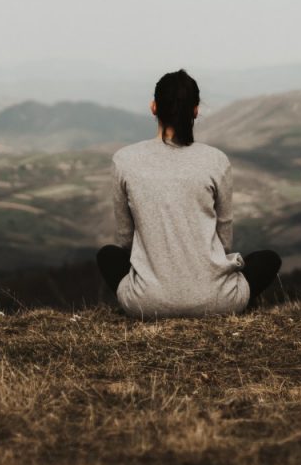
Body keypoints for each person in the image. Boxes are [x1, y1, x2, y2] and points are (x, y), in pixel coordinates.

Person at [96, 69, 282, 319]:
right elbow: (224, 239)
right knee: (268, 259)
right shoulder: (216, 160)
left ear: (153, 107)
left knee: (107, 256)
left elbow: (125, 239)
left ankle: (156, 296)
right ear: (195, 110)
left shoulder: (124, 160)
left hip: (146, 303)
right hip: (218, 302)